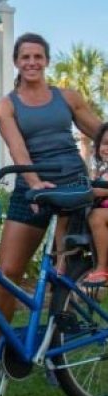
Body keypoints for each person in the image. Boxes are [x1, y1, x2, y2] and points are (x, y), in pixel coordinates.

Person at [0, 32, 103, 388]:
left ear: (46, 60)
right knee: (7, 272)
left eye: (38, 56)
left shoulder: (67, 97)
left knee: (62, 273)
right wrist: (34, 184)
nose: (32, 63)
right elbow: (18, 150)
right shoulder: (7, 105)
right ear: (16, 62)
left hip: (73, 188)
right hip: (31, 188)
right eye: (25, 57)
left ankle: (54, 353)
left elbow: (99, 132)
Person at [86, 122, 108, 286]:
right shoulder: (103, 173)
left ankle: (102, 266)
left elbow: (101, 191)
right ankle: (62, 260)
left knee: (96, 216)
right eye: (106, 143)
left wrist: (91, 191)